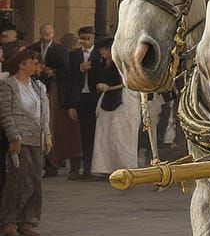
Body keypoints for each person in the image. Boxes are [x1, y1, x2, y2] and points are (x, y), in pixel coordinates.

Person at [0, 47, 52, 236]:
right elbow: (6, 113)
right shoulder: (8, 85)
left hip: (35, 137)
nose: (36, 66)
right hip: (20, 137)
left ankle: (27, 219)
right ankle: (9, 220)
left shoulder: (38, 86)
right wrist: (14, 136)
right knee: (18, 180)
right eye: (33, 62)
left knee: (34, 180)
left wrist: (47, 135)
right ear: (22, 64)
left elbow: (44, 113)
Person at [29, 22, 81, 177]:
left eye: (49, 34)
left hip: (57, 92)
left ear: (53, 34)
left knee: (58, 128)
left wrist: (53, 73)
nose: (47, 37)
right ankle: (50, 164)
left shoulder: (60, 50)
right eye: (44, 34)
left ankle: (63, 163)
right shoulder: (33, 48)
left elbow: (67, 71)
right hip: (38, 88)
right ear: (40, 33)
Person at [89, 37, 142, 178]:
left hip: (124, 101)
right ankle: (106, 166)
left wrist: (110, 87)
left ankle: (125, 167)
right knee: (106, 135)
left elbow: (130, 81)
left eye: (104, 50)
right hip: (107, 101)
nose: (101, 53)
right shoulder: (103, 63)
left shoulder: (124, 64)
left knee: (122, 135)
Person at [68, 26, 98, 177]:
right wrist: (71, 105)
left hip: (95, 97)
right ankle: (80, 167)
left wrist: (92, 68)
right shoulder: (73, 55)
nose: (84, 42)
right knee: (81, 134)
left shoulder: (99, 54)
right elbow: (70, 80)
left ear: (93, 38)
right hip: (80, 96)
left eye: (88, 38)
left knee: (94, 133)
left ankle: (92, 166)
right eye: (82, 39)